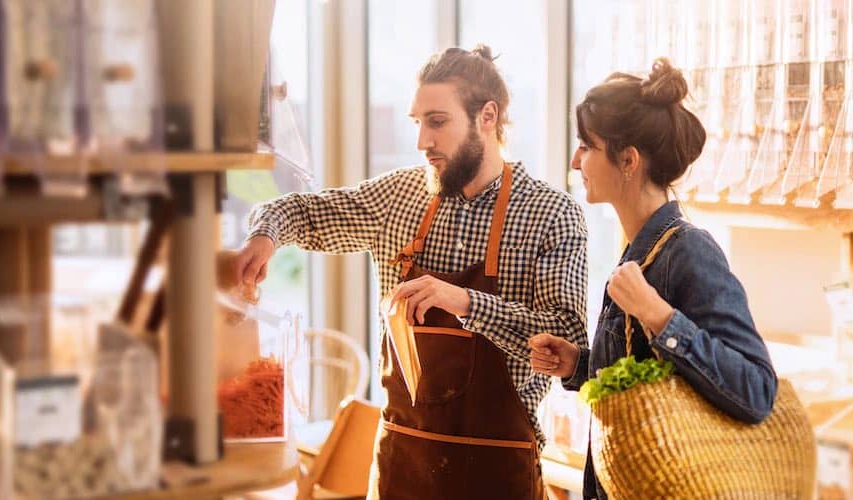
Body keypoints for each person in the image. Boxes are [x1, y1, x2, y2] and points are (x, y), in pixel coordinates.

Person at [234, 45, 588, 499]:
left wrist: (464, 302)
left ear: (487, 116)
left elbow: (568, 338)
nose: (422, 141)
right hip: (403, 469)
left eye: (437, 122)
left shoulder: (551, 214)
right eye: (417, 123)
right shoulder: (398, 198)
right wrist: (265, 236)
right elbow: (299, 211)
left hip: (498, 474)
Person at [527, 58, 778, 500]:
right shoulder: (638, 249)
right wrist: (578, 365)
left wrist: (658, 315)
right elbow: (654, 384)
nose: (575, 159)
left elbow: (756, 391)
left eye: (586, 145)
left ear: (628, 160)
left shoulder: (688, 251)